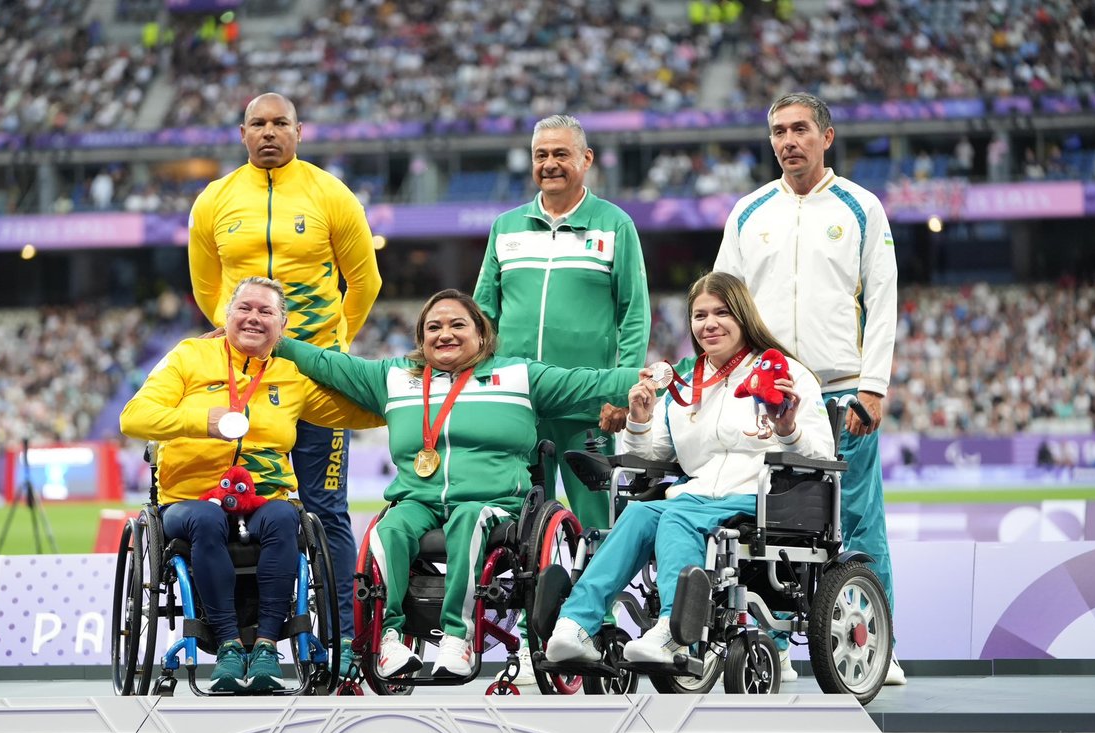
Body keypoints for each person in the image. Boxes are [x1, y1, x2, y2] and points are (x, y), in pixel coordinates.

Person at [274, 289, 640, 680]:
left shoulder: (519, 376)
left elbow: (593, 383)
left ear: (481, 334)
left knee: (468, 517)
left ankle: (457, 636)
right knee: (388, 528)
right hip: (419, 502)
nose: (444, 334)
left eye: (457, 325)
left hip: (493, 503)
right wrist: (273, 342)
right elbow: (325, 363)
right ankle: (391, 639)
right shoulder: (394, 377)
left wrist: (664, 374)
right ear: (421, 338)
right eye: (434, 327)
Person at [711, 92, 904, 686]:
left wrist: (873, 387)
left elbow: (883, 299)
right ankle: (769, 646)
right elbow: (722, 302)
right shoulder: (748, 211)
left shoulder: (861, 206)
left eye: (799, 129)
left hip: (841, 392)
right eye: (778, 131)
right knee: (766, 526)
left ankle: (878, 647)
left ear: (827, 136)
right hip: (766, 397)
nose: (788, 141)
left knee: (859, 521)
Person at [188, 92, 382, 675]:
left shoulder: (330, 194)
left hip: (318, 376)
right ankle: (248, 635)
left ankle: (345, 640)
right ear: (242, 133)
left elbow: (364, 282)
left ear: (300, 131)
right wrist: (245, 343)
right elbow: (206, 290)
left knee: (327, 508)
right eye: (258, 124)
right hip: (244, 382)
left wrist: (328, 350)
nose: (269, 132)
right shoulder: (215, 200)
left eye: (280, 123)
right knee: (246, 506)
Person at [547, 272, 834, 665]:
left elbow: (822, 455)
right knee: (638, 515)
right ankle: (574, 625)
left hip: (765, 498)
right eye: (699, 316)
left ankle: (673, 632)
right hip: (699, 495)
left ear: (743, 316)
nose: (709, 324)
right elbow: (648, 459)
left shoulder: (786, 373)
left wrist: (788, 429)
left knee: (676, 517)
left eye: (721, 313)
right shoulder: (687, 383)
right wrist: (640, 420)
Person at [121, 277, 383, 692]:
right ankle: (227, 645)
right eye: (244, 308)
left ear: (283, 326)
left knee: (284, 517)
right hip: (190, 500)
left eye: (265, 312)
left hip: (264, 500)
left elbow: (353, 413)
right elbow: (133, 417)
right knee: (206, 520)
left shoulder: (291, 376)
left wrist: (413, 401)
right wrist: (201, 422)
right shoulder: (189, 356)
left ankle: (265, 646)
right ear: (226, 315)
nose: (253, 318)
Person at [474, 114, 650, 683]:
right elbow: (484, 315)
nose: (549, 163)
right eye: (540, 153)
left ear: (586, 160)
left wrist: (621, 387)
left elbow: (633, 313)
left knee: (598, 527)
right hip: (518, 406)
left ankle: (592, 635)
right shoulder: (505, 227)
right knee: (522, 529)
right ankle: (528, 645)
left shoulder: (615, 226)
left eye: (560, 154)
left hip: (586, 405)